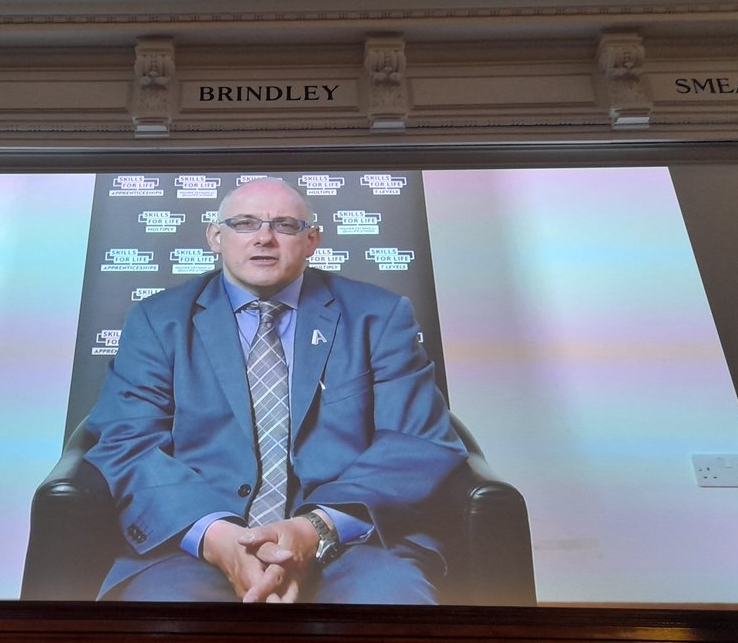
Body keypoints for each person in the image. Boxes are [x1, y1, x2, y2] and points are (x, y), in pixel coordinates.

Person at [84, 177, 467, 603]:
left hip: (352, 542)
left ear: (312, 240)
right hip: (193, 539)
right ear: (216, 236)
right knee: (163, 622)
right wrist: (217, 537)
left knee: (394, 609)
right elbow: (128, 441)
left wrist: (315, 529)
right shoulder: (157, 321)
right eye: (245, 223)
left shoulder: (379, 317)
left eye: (285, 225)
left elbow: (416, 440)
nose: (264, 238)